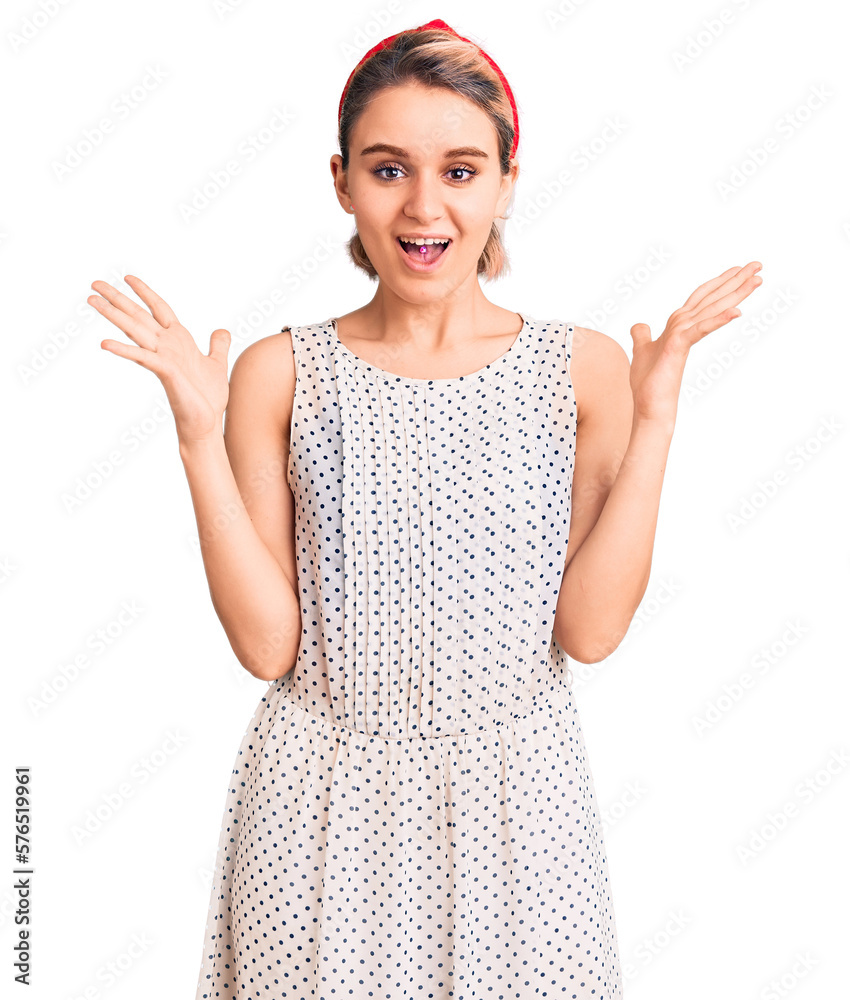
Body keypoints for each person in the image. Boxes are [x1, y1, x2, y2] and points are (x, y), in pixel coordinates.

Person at [87, 18, 762, 1000]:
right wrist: (199, 435)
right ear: (341, 182)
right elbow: (268, 647)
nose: (423, 205)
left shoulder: (584, 371)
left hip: (518, 798)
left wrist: (655, 419)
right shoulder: (282, 372)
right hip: (316, 798)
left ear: (505, 181)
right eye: (388, 168)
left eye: (459, 170)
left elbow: (591, 628)